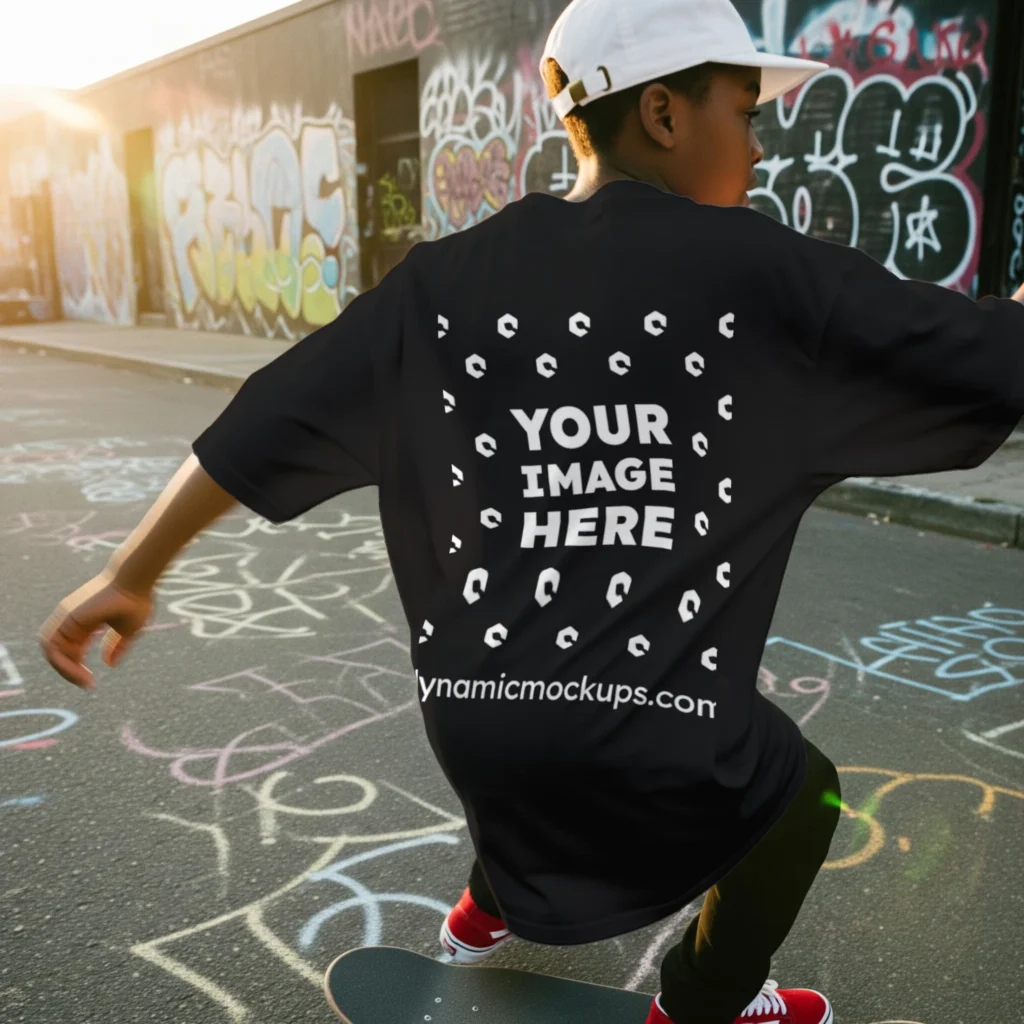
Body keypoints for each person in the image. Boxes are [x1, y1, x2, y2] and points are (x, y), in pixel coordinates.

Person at [39, 0, 1024, 1021]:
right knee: (800, 795)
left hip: (477, 725)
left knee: (542, 721)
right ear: (663, 113)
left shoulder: (441, 283)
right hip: (659, 736)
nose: (762, 145)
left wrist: (132, 572)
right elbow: (976, 351)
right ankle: (699, 1003)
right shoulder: (764, 271)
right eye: (744, 109)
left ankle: (479, 911)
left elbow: (261, 421)